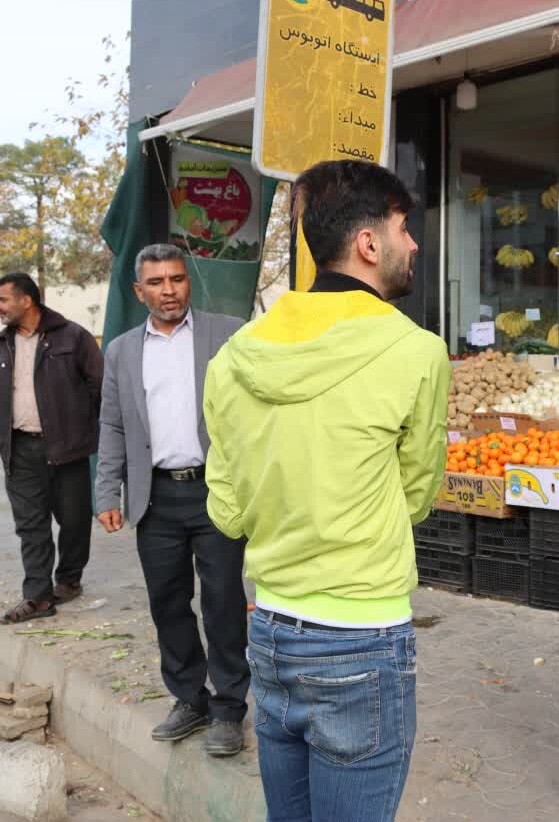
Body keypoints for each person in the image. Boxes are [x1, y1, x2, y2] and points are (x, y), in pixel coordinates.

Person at [204, 159, 450, 820]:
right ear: (369, 243)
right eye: (405, 227)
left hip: (271, 633)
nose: (415, 244)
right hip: (363, 637)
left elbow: (226, 511)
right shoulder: (416, 352)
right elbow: (417, 494)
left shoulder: (234, 357)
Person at [94, 244, 249, 758]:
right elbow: (113, 424)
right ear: (139, 292)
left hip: (216, 490)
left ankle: (229, 707)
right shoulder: (120, 350)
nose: (169, 290)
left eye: (177, 279)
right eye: (156, 282)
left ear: (189, 282)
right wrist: (106, 492)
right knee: (168, 602)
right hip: (153, 497)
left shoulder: (227, 333)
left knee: (224, 600)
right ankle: (189, 698)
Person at [0, 273, 104, 625]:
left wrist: (84, 430)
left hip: (68, 447)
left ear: (26, 301)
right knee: (31, 524)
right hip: (20, 449)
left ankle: (69, 578)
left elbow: (99, 386)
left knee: (73, 520)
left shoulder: (73, 337)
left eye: (3, 299)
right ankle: (37, 596)